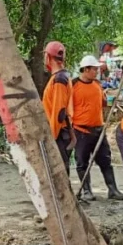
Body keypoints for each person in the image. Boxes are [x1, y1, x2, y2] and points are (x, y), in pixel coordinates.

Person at [72, 55, 123, 201]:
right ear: (86, 69)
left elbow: (102, 102)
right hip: (81, 130)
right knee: (82, 162)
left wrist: (111, 101)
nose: (97, 71)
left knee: (105, 160)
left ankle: (112, 189)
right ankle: (87, 191)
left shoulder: (97, 85)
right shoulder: (73, 86)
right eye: (94, 69)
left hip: (98, 129)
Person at [42, 41, 76, 175]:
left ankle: (65, 196)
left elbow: (59, 112)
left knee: (60, 172)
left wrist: (52, 137)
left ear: (48, 57)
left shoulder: (59, 79)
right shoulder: (60, 77)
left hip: (60, 133)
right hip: (62, 132)